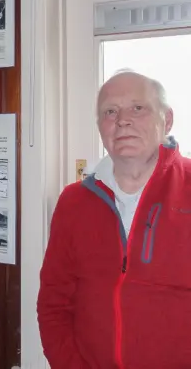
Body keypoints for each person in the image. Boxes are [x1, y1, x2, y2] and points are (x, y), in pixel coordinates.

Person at [37, 70, 191, 368]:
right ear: (100, 126)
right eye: (110, 112)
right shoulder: (73, 202)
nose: (122, 121)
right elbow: (54, 304)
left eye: (138, 108)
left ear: (167, 120)